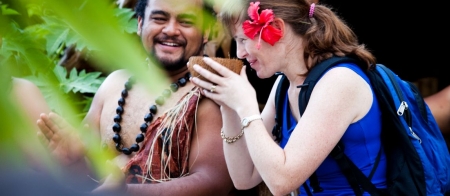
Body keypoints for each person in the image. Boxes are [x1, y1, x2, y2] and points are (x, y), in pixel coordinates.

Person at [37, 0, 238, 195]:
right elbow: (92, 178)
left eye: (186, 22)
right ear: (140, 24)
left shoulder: (213, 93)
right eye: (159, 19)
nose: (170, 30)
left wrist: (125, 192)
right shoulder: (114, 84)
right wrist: (74, 161)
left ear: (207, 32)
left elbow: (214, 182)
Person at [190, 0, 387, 195]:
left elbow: (280, 182)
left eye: (243, 40)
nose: (239, 53)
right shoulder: (283, 85)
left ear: (276, 27)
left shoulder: (340, 82)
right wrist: (229, 107)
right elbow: (244, 177)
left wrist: (246, 106)